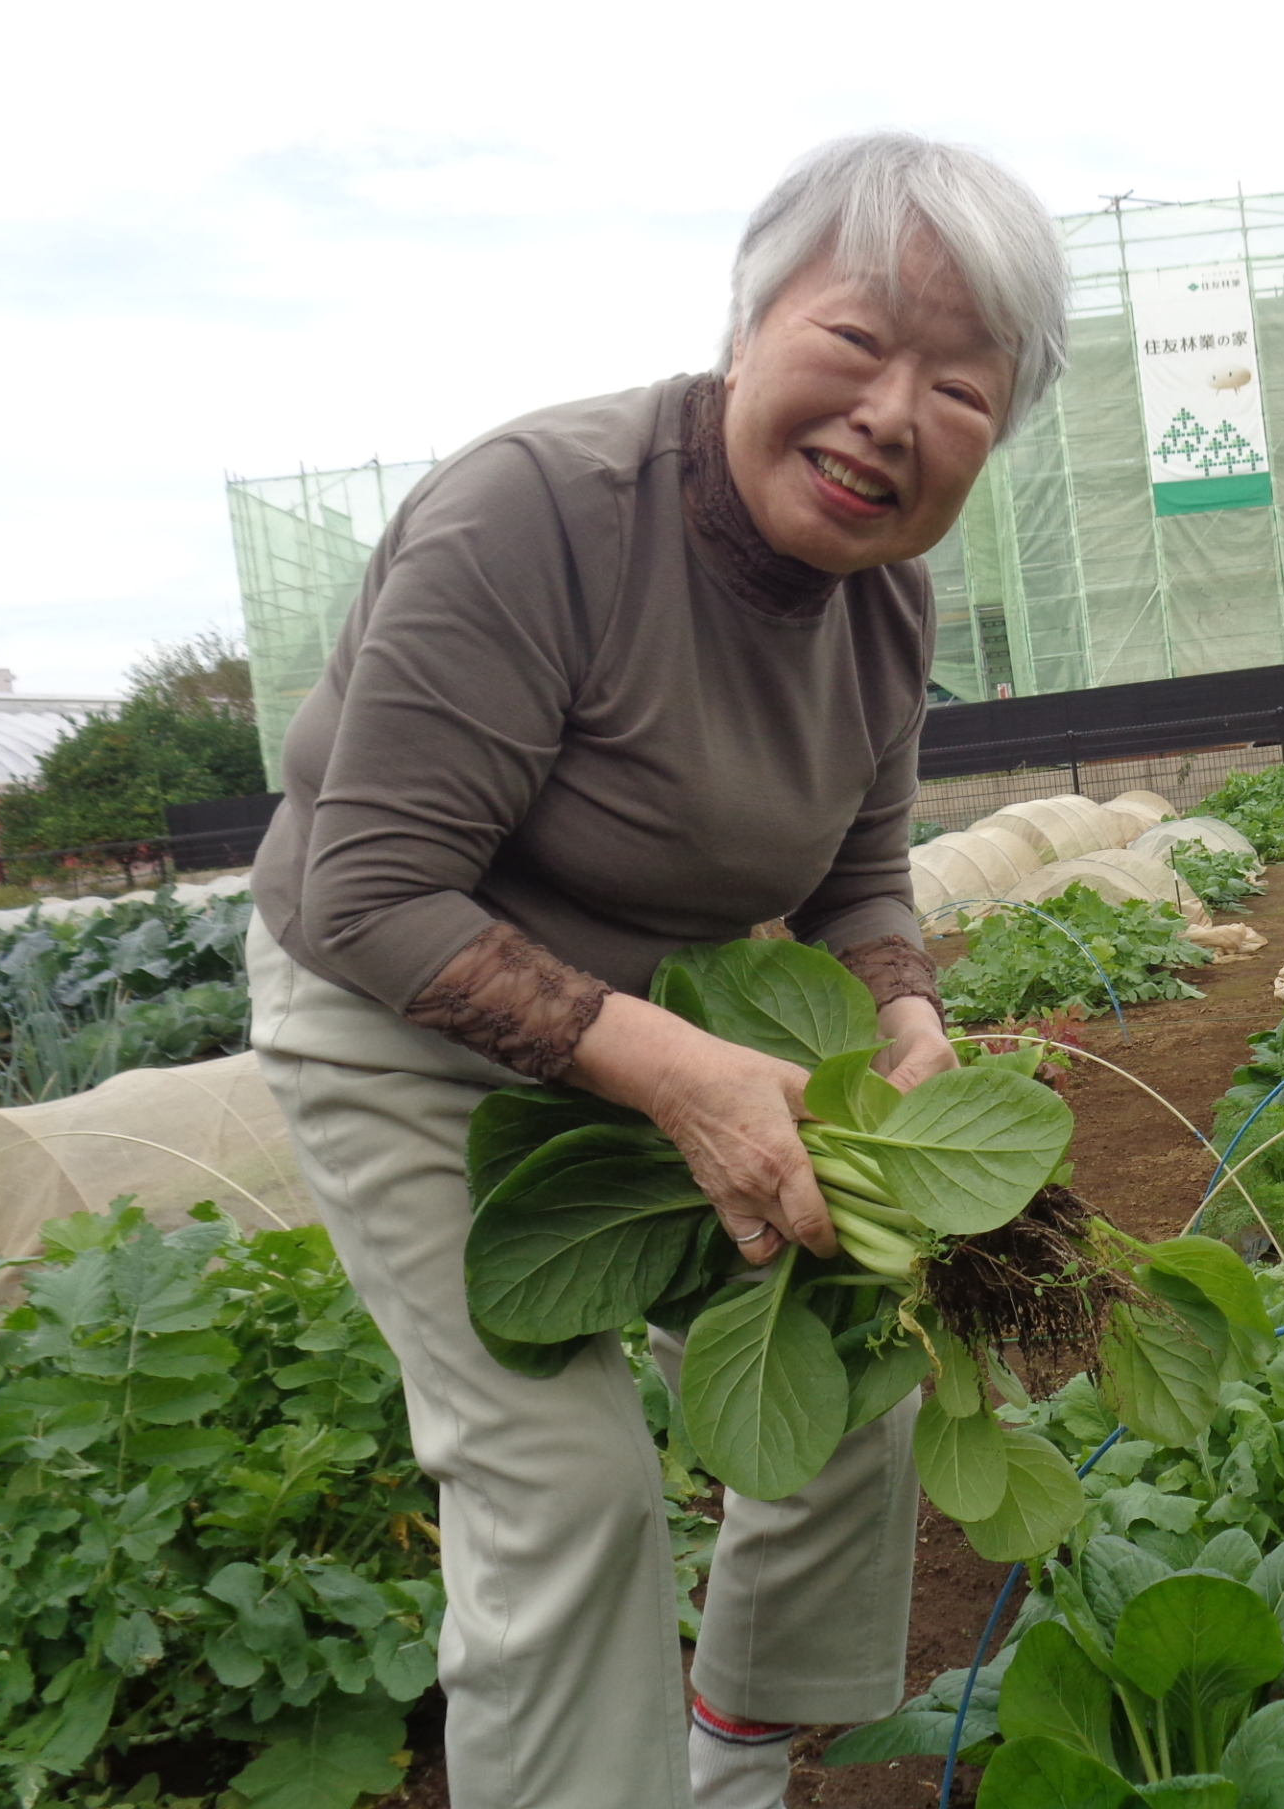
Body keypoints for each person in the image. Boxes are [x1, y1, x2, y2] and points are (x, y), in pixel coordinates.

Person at [244, 130, 1067, 1809]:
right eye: (856, 339)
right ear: (749, 323)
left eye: (962, 388)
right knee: (562, 1486)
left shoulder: (885, 604)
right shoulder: (537, 514)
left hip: (656, 1042)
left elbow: (856, 870)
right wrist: (678, 1076)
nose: (893, 416)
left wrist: (904, 1006)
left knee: (846, 1392)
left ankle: (731, 1765)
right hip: (398, 1026)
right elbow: (374, 890)